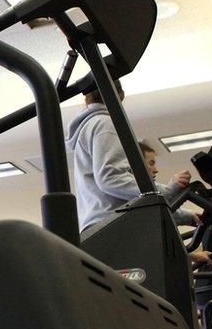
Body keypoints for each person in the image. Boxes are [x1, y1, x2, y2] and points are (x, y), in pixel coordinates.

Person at [65, 80, 193, 231]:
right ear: (119, 95)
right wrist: (166, 192)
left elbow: (128, 198)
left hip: (104, 224)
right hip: (111, 225)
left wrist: (187, 216)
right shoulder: (105, 123)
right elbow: (110, 178)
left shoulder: (92, 125)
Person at [140, 141, 200, 227]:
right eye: (151, 163)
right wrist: (174, 185)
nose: (156, 170)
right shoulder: (131, 187)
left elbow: (158, 210)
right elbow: (156, 198)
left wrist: (190, 217)